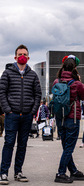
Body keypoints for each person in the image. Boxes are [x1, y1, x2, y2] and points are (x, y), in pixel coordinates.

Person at [0, 44, 41, 184]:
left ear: (28, 57)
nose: (22, 56)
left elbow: (38, 94)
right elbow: (1, 93)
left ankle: (18, 172)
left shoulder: (33, 75)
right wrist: (7, 109)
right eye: (19, 54)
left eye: (24, 54)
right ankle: (3, 173)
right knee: (9, 143)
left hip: (27, 115)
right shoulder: (7, 73)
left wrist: (32, 110)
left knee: (22, 144)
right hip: (12, 115)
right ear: (15, 57)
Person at [53, 55, 84, 183]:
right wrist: (80, 81)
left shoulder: (56, 82)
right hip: (72, 118)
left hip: (60, 118)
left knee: (66, 146)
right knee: (69, 148)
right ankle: (60, 173)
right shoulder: (77, 83)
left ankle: (73, 171)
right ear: (74, 68)